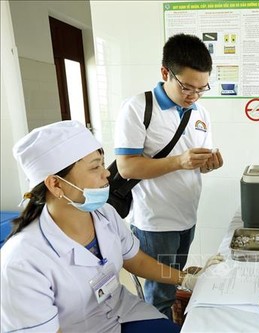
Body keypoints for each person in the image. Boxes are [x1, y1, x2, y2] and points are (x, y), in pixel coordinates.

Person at [2, 120, 223, 333]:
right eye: (95, 167)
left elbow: (135, 259)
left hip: (124, 314)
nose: (107, 173)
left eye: (102, 163)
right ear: (56, 184)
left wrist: (185, 279)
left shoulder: (104, 214)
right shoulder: (22, 262)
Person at [113, 33, 223, 317]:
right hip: (155, 222)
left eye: (202, 88)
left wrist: (207, 165)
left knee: (175, 283)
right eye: (187, 87)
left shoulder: (200, 113)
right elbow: (127, 167)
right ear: (165, 73)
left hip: (187, 216)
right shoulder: (138, 107)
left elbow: (195, 162)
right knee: (159, 295)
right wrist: (179, 161)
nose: (193, 95)